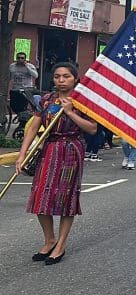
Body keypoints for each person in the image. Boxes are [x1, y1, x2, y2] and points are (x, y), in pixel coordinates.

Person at [15, 62, 98, 265]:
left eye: (66, 76)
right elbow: (34, 126)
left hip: (71, 150)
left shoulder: (83, 101)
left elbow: (92, 129)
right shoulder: (46, 100)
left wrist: (70, 112)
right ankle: (49, 239)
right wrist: (22, 154)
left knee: (65, 197)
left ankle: (60, 245)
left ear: (75, 78)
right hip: (49, 149)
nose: (61, 80)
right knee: (41, 195)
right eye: (57, 76)